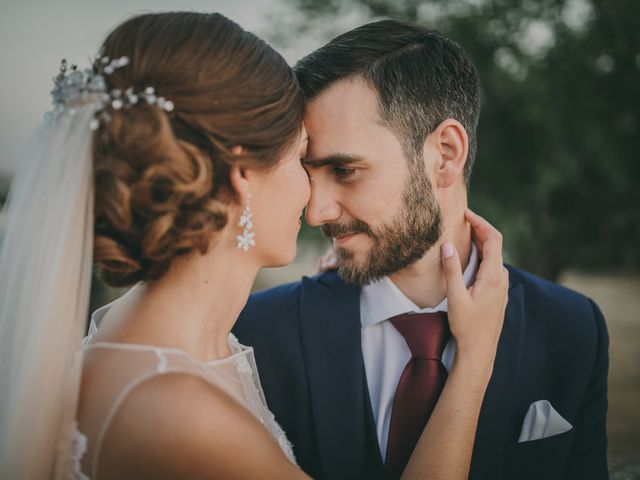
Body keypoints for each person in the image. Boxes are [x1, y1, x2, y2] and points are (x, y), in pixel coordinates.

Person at [0, 12, 508, 480]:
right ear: (242, 175)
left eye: (343, 171)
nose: (315, 208)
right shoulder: (177, 410)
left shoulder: (159, 344)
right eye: (302, 159)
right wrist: (475, 359)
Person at [234, 19, 610, 480]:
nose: (317, 213)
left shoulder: (573, 327)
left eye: (346, 170)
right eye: (311, 174)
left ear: (445, 154)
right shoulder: (255, 335)